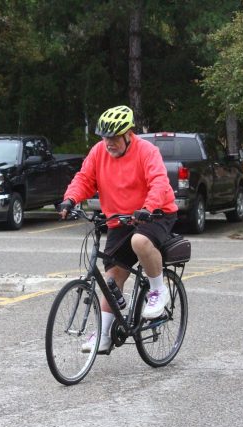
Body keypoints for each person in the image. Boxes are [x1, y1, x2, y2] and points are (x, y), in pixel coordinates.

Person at [58, 105, 178, 353]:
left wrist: (148, 206)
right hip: (120, 219)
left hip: (155, 213)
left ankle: (158, 291)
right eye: (104, 138)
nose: (108, 143)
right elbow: (84, 179)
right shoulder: (98, 152)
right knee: (112, 278)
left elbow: (159, 182)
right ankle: (103, 335)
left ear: (128, 135)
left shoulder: (147, 151)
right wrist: (70, 199)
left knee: (140, 242)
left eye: (113, 138)